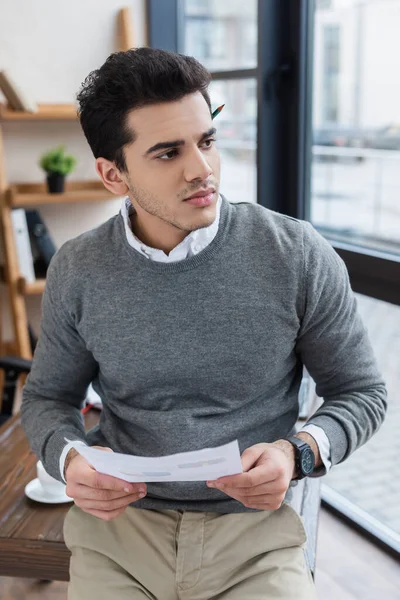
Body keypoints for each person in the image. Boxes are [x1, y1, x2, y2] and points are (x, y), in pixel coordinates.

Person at [21, 47, 387, 600]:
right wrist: (69, 459)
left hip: (254, 536)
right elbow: (47, 397)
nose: (202, 169)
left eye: (207, 141)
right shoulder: (78, 268)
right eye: (168, 153)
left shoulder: (297, 254)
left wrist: (299, 452)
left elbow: (362, 393)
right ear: (112, 174)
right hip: (122, 534)